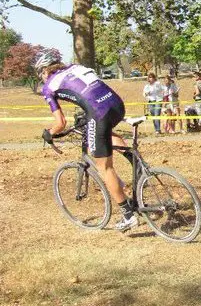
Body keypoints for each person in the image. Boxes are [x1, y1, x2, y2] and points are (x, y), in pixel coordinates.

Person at [35, 51, 138, 231]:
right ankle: (137, 165)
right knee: (105, 134)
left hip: (98, 112)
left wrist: (49, 133)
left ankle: (128, 216)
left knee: (104, 167)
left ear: (44, 71)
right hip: (116, 105)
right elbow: (91, 90)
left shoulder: (49, 86)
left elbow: (60, 123)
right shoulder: (76, 67)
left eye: (40, 73)